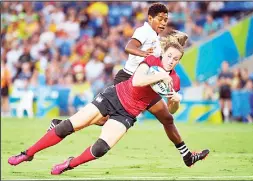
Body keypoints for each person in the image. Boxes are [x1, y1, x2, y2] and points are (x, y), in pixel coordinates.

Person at [8, 35, 209, 175]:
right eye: (169, 57)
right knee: (68, 126)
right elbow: (138, 81)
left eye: (176, 59)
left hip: (128, 114)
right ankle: (27, 154)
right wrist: (159, 75)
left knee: (101, 149)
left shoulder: (174, 80)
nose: (171, 61)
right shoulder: (151, 61)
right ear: (163, 54)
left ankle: (69, 164)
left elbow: (172, 111)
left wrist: (174, 101)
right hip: (113, 96)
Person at [49, 2, 201, 167]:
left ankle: (186, 155)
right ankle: (60, 125)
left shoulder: (155, 38)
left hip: (145, 84)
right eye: (161, 19)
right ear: (150, 18)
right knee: (104, 119)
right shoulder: (143, 32)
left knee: (166, 118)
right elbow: (129, 47)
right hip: (130, 80)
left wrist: (177, 43)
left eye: (166, 19)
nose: (164, 22)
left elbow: (163, 55)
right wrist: (144, 55)